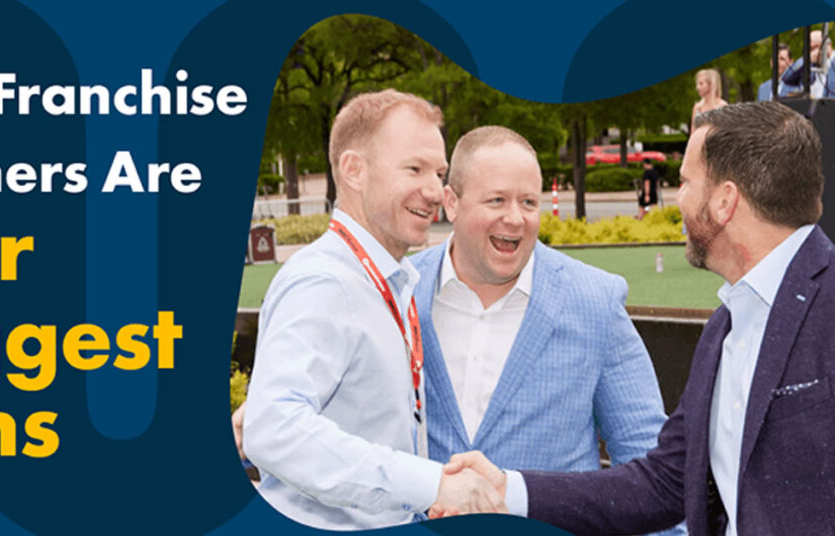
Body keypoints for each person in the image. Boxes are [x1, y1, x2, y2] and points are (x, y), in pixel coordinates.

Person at [445, 101, 835, 535]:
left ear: (725, 201)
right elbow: (664, 483)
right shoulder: (723, 330)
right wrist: (508, 490)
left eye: (684, 182)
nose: (678, 197)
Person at [241, 89, 504, 530]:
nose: (435, 190)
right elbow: (272, 429)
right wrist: (430, 484)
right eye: (414, 168)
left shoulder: (385, 280)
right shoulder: (326, 282)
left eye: (439, 172)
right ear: (354, 170)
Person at [411, 126, 683, 535]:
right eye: (496, 200)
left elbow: (649, 469)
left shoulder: (594, 300)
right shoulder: (400, 293)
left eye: (528, 202)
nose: (515, 219)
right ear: (451, 202)